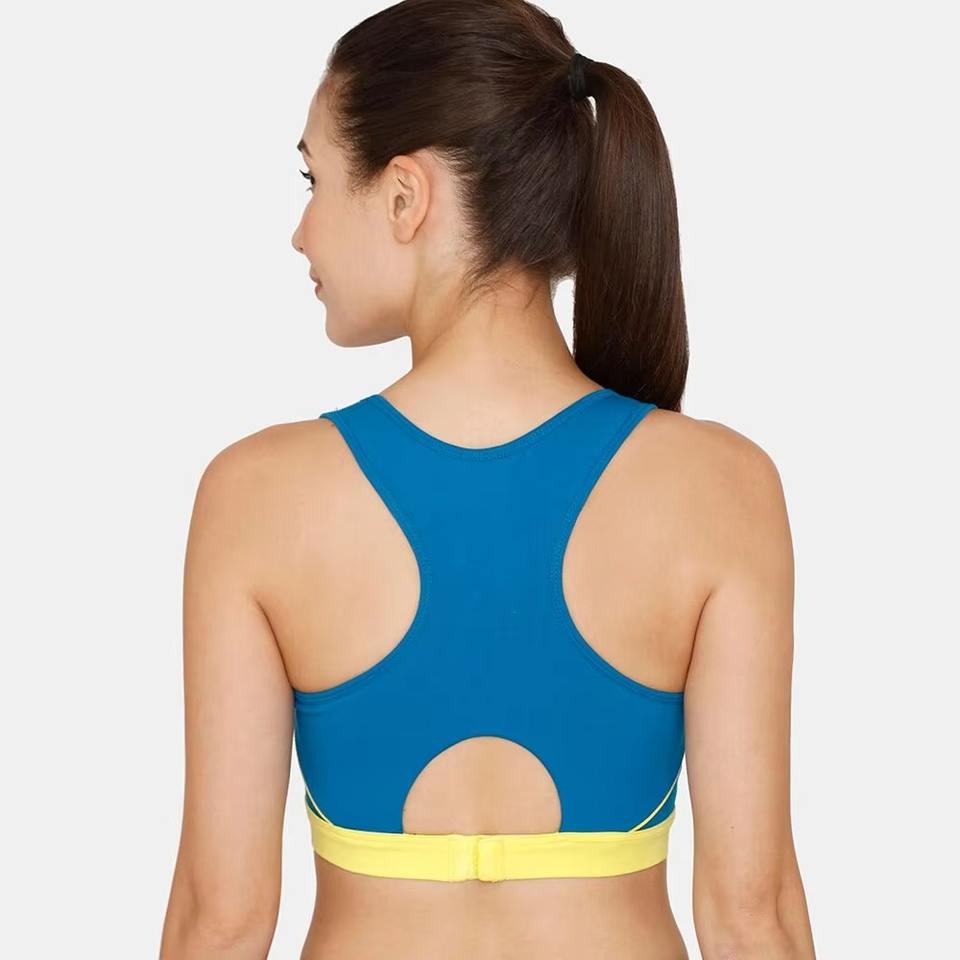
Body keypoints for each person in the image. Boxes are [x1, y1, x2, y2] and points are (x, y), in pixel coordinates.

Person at [160, 1, 816, 957]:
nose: (301, 232)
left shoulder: (256, 497)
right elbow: (753, 918)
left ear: (405, 196)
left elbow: (220, 923)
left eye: (313, 180)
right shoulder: (722, 488)